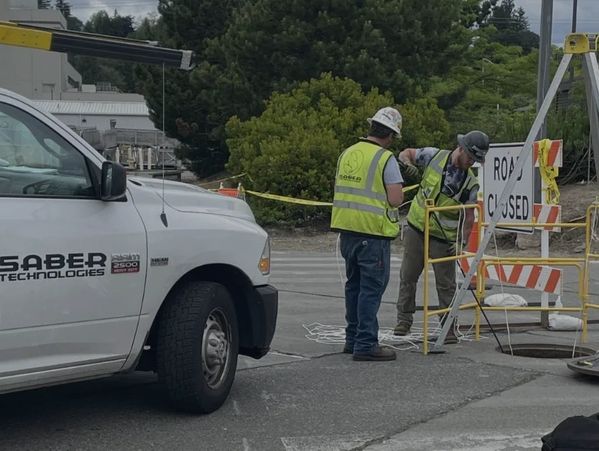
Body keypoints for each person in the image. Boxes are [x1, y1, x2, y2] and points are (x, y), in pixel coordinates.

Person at [393, 131, 489, 343]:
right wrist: (407, 163)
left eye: (476, 160)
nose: (471, 163)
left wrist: (460, 244)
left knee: (446, 284)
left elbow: (469, 218)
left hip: (444, 238)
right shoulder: (434, 156)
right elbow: (406, 153)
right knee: (407, 276)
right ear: (461, 148)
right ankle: (403, 321)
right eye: (471, 158)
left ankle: (448, 327)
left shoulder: (470, 185)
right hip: (417, 227)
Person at [331, 107, 404, 361]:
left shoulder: (347, 153)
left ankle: (352, 340)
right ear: (391, 135)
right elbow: (395, 199)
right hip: (372, 233)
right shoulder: (385, 159)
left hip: (346, 231)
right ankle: (365, 344)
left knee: (354, 287)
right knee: (371, 290)